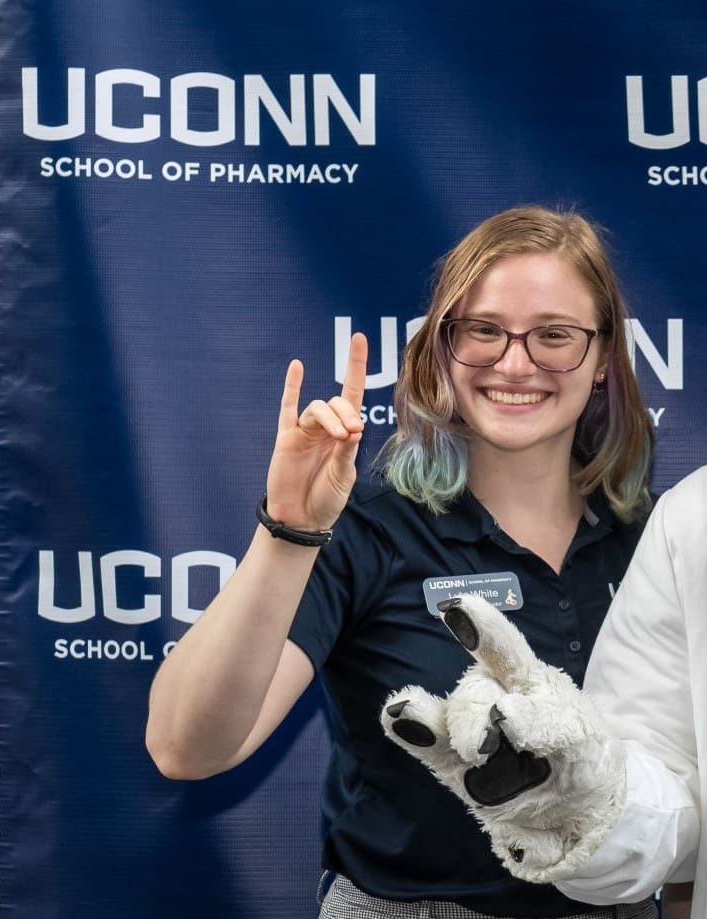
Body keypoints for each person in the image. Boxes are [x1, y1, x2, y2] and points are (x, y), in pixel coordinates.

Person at [145, 206, 659, 919]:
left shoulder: (656, 536)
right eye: (484, 329)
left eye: (555, 335)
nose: (516, 361)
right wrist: (287, 531)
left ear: (603, 356)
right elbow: (184, 746)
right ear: (441, 348)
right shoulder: (368, 525)